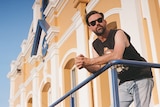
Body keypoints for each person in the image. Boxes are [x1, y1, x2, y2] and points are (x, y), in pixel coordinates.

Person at [75, 10, 154, 107]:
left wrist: (89, 61)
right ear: (90, 28)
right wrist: (85, 64)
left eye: (100, 20)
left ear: (105, 22)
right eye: (93, 23)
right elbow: (97, 68)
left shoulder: (118, 34)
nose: (97, 24)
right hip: (124, 81)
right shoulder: (95, 45)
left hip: (141, 76)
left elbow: (117, 56)